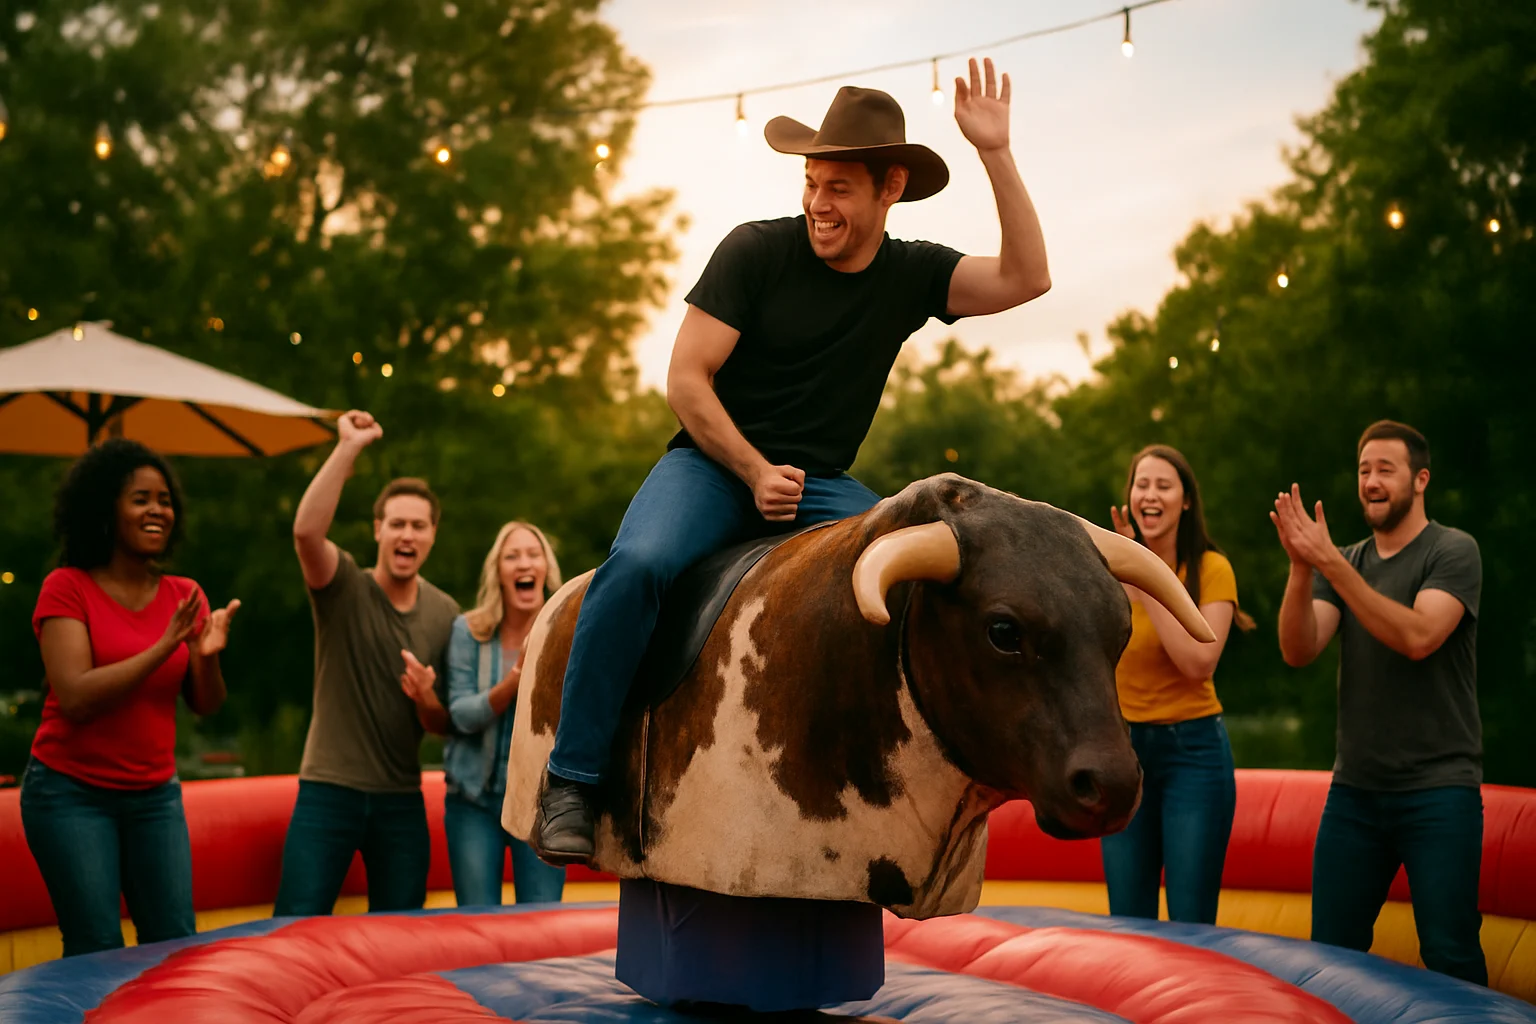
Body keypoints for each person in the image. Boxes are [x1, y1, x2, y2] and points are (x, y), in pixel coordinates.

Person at [534, 59, 1053, 864]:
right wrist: (749, 471)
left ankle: (901, 777)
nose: (817, 202)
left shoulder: (910, 272)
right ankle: (571, 779)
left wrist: (995, 152)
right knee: (638, 565)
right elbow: (686, 380)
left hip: (824, 487)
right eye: (812, 182)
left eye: (840, 186)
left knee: (926, 577)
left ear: (890, 190)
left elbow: (1028, 277)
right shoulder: (754, 252)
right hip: (712, 466)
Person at [1273, 420, 1486, 985]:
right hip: (1355, 795)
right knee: (1330, 959)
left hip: (1439, 791)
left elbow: (1419, 637)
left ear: (1420, 480)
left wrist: (1331, 565)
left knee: (1452, 955)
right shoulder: (1345, 562)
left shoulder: (1452, 550)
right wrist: (1301, 567)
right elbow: (1299, 649)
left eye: (1385, 470)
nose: (1371, 481)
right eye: (1364, 470)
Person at [23, 439, 240, 956]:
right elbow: (74, 695)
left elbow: (205, 704)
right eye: (140, 498)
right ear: (106, 508)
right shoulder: (66, 587)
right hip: (71, 796)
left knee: (173, 946)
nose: (157, 510)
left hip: (154, 798)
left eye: (164, 500)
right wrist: (165, 645)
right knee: (96, 947)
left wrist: (205, 656)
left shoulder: (183, 595)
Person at [273, 410, 459, 916]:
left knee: (400, 944)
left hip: (401, 801)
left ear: (432, 536)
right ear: (378, 530)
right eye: (396, 523)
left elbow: (445, 725)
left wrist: (426, 700)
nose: (407, 535)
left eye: (418, 526)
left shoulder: (447, 614)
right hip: (327, 792)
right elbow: (307, 533)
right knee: (293, 930)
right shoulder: (343, 587)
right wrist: (349, 447)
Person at [1098, 446, 1253, 925]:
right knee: (1128, 922)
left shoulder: (1211, 569)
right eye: (1141, 484)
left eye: (1164, 486)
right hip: (1125, 757)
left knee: (1191, 921)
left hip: (1194, 754)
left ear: (1186, 501)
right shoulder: (1105, 570)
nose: (1150, 494)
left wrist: (1145, 575)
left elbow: (1198, 662)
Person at [435, 521, 567, 906]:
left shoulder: (567, 628)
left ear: (546, 568)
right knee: (478, 928)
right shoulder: (468, 631)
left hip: (540, 805)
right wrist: (515, 678)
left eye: (532, 554)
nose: (523, 563)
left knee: (544, 929)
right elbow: (461, 715)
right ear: (498, 573)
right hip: (473, 803)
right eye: (512, 556)